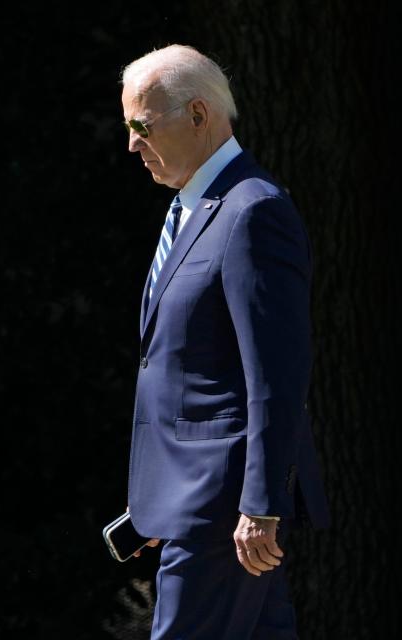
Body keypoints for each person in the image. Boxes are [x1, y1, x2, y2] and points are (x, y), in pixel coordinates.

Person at [120, 44, 330, 639]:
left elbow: (275, 375)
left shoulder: (253, 212)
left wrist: (260, 505)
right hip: (196, 504)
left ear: (197, 115)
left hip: (223, 514)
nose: (132, 144)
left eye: (142, 125)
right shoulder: (191, 209)